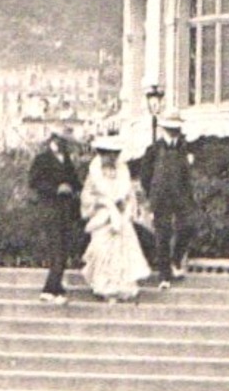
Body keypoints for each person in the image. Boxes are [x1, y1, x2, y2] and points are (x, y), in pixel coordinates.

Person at [80, 135, 151, 303]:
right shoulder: (94, 174)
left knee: (122, 252)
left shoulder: (122, 172)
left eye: (114, 154)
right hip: (102, 217)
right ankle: (104, 287)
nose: (111, 158)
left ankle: (121, 288)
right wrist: (103, 203)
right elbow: (87, 197)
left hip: (121, 217)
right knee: (102, 250)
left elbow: (130, 195)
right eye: (107, 154)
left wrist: (125, 205)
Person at [136, 113, 194, 289]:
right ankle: (164, 275)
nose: (174, 131)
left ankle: (176, 260)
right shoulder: (153, 149)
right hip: (161, 198)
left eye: (176, 128)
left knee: (187, 227)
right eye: (171, 128)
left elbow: (187, 176)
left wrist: (188, 195)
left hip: (181, 197)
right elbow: (145, 176)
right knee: (163, 235)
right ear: (164, 129)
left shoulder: (184, 149)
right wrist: (152, 195)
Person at [28, 133, 82, 304]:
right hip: (50, 209)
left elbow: (75, 181)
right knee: (57, 249)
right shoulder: (42, 159)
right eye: (60, 140)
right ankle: (49, 288)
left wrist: (74, 188)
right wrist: (56, 189)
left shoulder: (66, 159)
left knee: (63, 250)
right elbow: (34, 182)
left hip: (65, 211)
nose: (63, 144)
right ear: (52, 141)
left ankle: (56, 288)